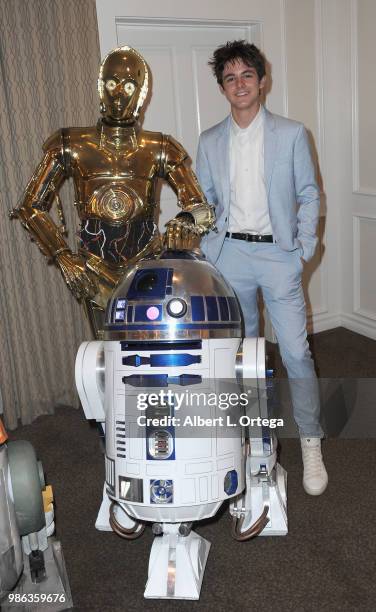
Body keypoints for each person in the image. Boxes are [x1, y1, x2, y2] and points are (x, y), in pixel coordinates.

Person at [196, 40, 327, 496]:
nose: (240, 84)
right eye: (230, 78)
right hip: (229, 256)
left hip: (278, 257)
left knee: (294, 351)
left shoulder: (291, 134)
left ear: (262, 80)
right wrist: (206, 249)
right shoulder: (209, 140)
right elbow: (204, 202)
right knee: (244, 356)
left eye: (247, 76)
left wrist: (302, 250)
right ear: (222, 87)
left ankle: (310, 440)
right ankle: (258, 437)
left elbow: (309, 193)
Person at [12, 45, 214, 337]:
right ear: (100, 87)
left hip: (147, 263)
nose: (119, 93)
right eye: (111, 83)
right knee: (105, 352)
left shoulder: (160, 148)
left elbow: (200, 207)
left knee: (148, 346)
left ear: (141, 94)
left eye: (129, 85)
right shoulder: (69, 143)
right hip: (92, 269)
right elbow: (30, 206)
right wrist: (64, 257)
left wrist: (185, 219)